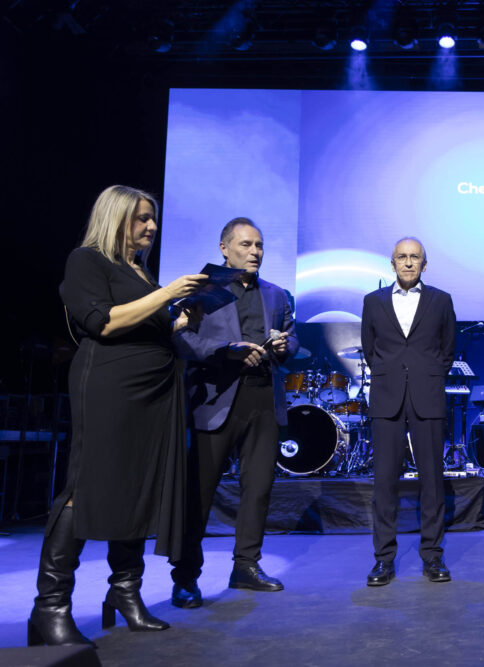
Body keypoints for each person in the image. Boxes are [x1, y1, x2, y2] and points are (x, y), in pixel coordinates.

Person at [29, 185, 207, 646]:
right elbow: (103, 322)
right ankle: (50, 607)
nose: (151, 226)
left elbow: (145, 323)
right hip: (110, 387)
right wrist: (167, 293)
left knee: (137, 488)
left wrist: (179, 321)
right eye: (141, 218)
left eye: (153, 218)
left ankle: (125, 591)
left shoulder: (140, 271)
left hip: (154, 391)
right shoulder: (86, 260)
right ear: (116, 218)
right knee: (86, 487)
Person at [169, 217, 298, 607]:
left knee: (258, 490)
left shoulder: (277, 294)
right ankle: (186, 577)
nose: (255, 252)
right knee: (199, 493)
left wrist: (284, 347)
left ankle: (246, 566)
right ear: (224, 248)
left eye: (259, 245)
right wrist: (226, 351)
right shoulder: (204, 290)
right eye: (246, 245)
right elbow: (182, 338)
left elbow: (292, 339)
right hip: (217, 398)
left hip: (263, 400)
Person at [361, 237, 456, 586]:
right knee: (384, 482)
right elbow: (370, 349)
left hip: (427, 396)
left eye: (415, 257)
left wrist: (426, 376)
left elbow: (448, 350)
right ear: (392, 263)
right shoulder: (372, 301)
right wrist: (390, 376)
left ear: (424, 264)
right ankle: (383, 559)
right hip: (386, 397)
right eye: (402, 257)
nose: (408, 262)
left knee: (432, 481)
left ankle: (433, 555)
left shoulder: (441, 300)